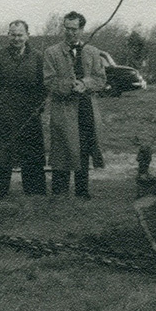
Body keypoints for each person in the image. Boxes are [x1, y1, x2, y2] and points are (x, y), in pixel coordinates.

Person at [0, 19, 46, 199]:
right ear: (8, 35)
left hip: (30, 116)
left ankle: (35, 195)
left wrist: (37, 107)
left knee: (32, 155)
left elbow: (44, 87)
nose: (16, 38)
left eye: (20, 35)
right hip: (4, 116)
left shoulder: (38, 57)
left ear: (27, 35)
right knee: (2, 156)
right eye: (13, 34)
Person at [44, 11, 105, 198]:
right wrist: (70, 86)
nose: (70, 33)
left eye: (74, 29)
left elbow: (101, 79)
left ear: (82, 29)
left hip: (86, 108)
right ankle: (59, 191)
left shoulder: (93, 52)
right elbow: (49, 81)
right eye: (67, 29)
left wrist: (85, 84)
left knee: (84, 148)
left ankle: (82, 192)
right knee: (62, 148)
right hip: (63, 109)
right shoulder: (52, 53)